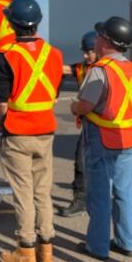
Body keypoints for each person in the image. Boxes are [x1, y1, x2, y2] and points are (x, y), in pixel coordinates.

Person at [0, 0, 63, 262]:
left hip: (18, 133)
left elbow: (1, 102)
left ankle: (26, 250)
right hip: (45, 131)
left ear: (11, 23)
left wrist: (3, 127)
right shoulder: (55, 55)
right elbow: (54, 92)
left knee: (23, 192)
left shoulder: (6, 56)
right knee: (42, 191)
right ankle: (46, 250)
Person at [70, 17, 132, 261]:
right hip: (127, 139)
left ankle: (97, 246)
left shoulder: (99, 71)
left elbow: (85, 105)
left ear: (106, 42)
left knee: (100, 194)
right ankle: (128, 241)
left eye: (99, 36)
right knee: (124, 191)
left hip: (102, 138)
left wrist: (74, 106)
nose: (96, 39)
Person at [57, 30, 98, 217]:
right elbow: (62, 69)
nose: (85, 55)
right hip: (88, 125)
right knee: (80, 160)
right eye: (84, 51)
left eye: (89, 51)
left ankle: (97, 200)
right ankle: (80, 199)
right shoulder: (82, 68)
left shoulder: (106, 69)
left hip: (106, 126)